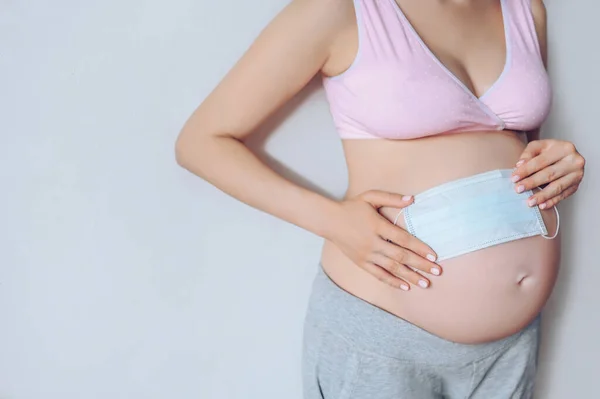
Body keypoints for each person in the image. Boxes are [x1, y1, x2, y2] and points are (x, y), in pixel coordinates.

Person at [175, 0, 586, 397]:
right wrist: (332, 220)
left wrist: (558, 163)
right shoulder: (338, 9)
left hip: (511, 348)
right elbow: (200, 143)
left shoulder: (525, 8)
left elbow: (521, 147)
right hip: (385, 338)